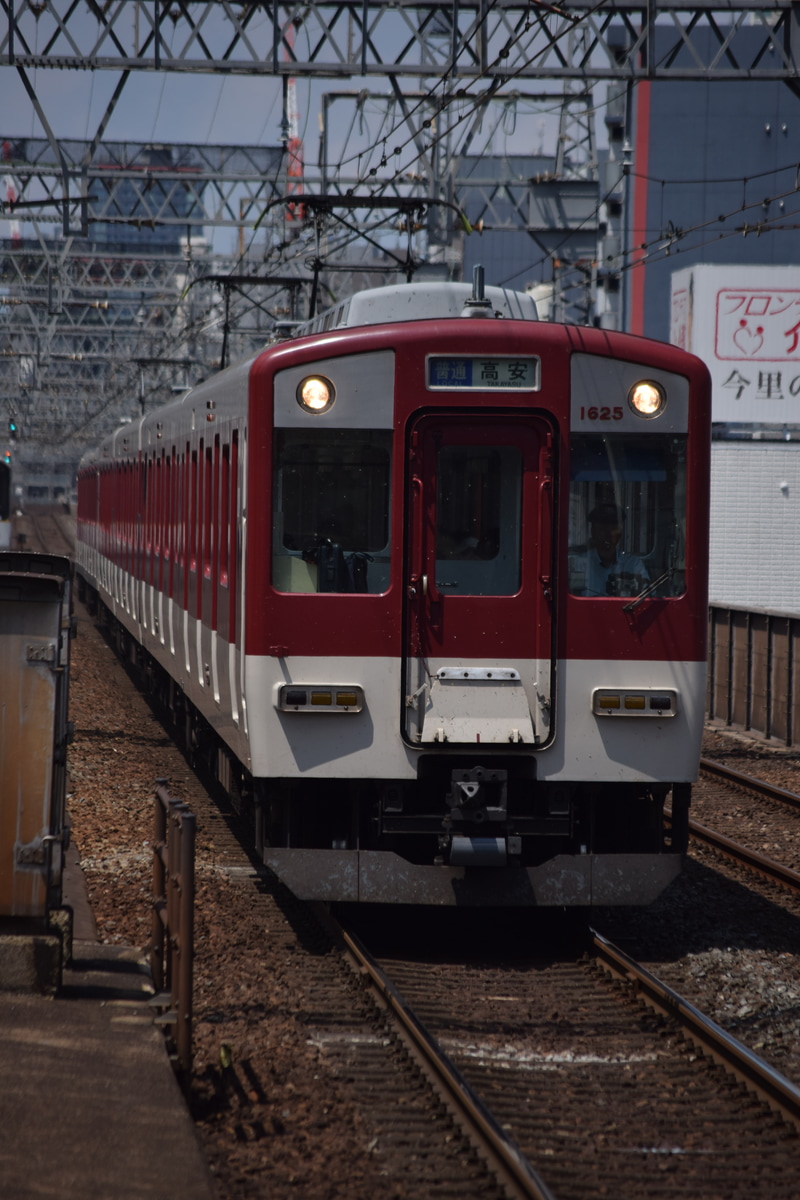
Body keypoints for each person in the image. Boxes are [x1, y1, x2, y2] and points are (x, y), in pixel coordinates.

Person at [569, 503, 649, 597]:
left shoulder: (633, 565)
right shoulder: (577, 564)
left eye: (614, 528)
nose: (608, 534)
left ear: (621, 533)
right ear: (593, 531)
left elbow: (646, 597)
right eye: (603, 528)